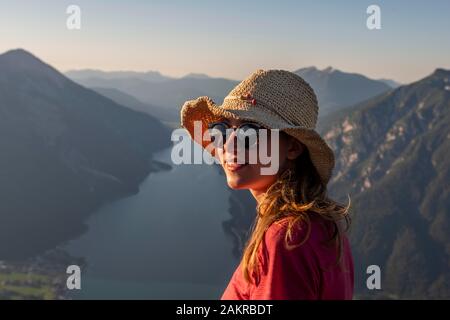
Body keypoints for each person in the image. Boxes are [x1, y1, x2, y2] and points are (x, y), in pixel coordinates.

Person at [180, 69, 353, 300]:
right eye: (221, 129)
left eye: (249, 133)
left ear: (292, 147)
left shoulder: (286, 239)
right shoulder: (323, 226)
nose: (229, 146)